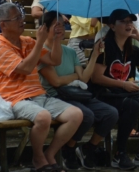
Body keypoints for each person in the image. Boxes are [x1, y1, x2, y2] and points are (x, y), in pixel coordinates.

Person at [0, 3, 83, 172]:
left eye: (22, 17)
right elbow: (25, 68)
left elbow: (54, 61)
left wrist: (55, 39)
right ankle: (38, 158)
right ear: (3, 24)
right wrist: (40, 41)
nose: (22, 21)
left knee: (75, 114)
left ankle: (50, 154)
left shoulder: (27, 41)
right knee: (43, 117)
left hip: (38, 95)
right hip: (12, 99)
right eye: (17, 18)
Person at [38, 12, 118, 169]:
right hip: (57, 96)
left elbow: (84, 79)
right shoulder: (41, 51)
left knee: (111, 113)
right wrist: (74, 76)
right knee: (86, 115)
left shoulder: (70, 51)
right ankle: (68, 151)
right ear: (45, 28)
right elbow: (56, 82)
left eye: (62, 24)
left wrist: (94, 55)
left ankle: (87, 149)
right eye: (56, 24)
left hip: (77, 94)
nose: (59, 28)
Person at [90, 9, 139, 170]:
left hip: (121, 93)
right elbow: (96, 78)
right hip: (103, 94)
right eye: (123, 22)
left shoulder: (131, 47)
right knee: (132, 105)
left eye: (131, 22)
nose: (129, 25)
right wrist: (123, 85)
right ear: (112, 26)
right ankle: (119, 153)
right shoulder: (105, 45)